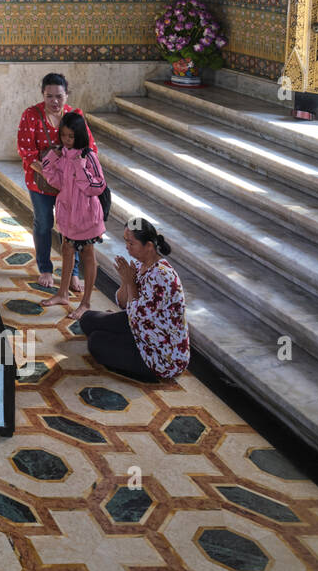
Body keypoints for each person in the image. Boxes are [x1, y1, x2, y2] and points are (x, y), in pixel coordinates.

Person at [79, 217, 189, 382]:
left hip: (162, 353)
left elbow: (138, 316)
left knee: (96, 342)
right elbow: (124, 304)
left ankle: (148, 373)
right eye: (126, 242)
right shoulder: (141, 264)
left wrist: (130, 282)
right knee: (87, 320)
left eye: (132, 244)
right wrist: (125, 281)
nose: (127, 247)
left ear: (149, 246)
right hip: (140, 327)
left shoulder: (162, 276)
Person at [16, 73, 97, 294]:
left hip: (72, 185)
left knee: (72, 227)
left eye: (59, 96)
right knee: (43, 222)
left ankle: (73, 272)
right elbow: (26, 152)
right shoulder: (31, 116)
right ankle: (45, 268)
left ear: (67, 94)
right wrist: (50, 174)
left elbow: (90, 148)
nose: (54, 101)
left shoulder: (75, 115)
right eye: (49, 96)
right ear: (42, 94)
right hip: (40, 181)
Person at [33, 113, 106, 316]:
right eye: (63, 135)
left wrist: (79, 167)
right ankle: (62, 293)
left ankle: (86, 303)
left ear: (80, 135)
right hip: (68, 215)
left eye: (71, 136)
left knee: (88, 255)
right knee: (67, 250)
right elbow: (56, 182)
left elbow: (97, 186)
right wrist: (52, 158)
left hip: (86, 216)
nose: (66, 140)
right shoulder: (62, 154)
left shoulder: (88, 156)